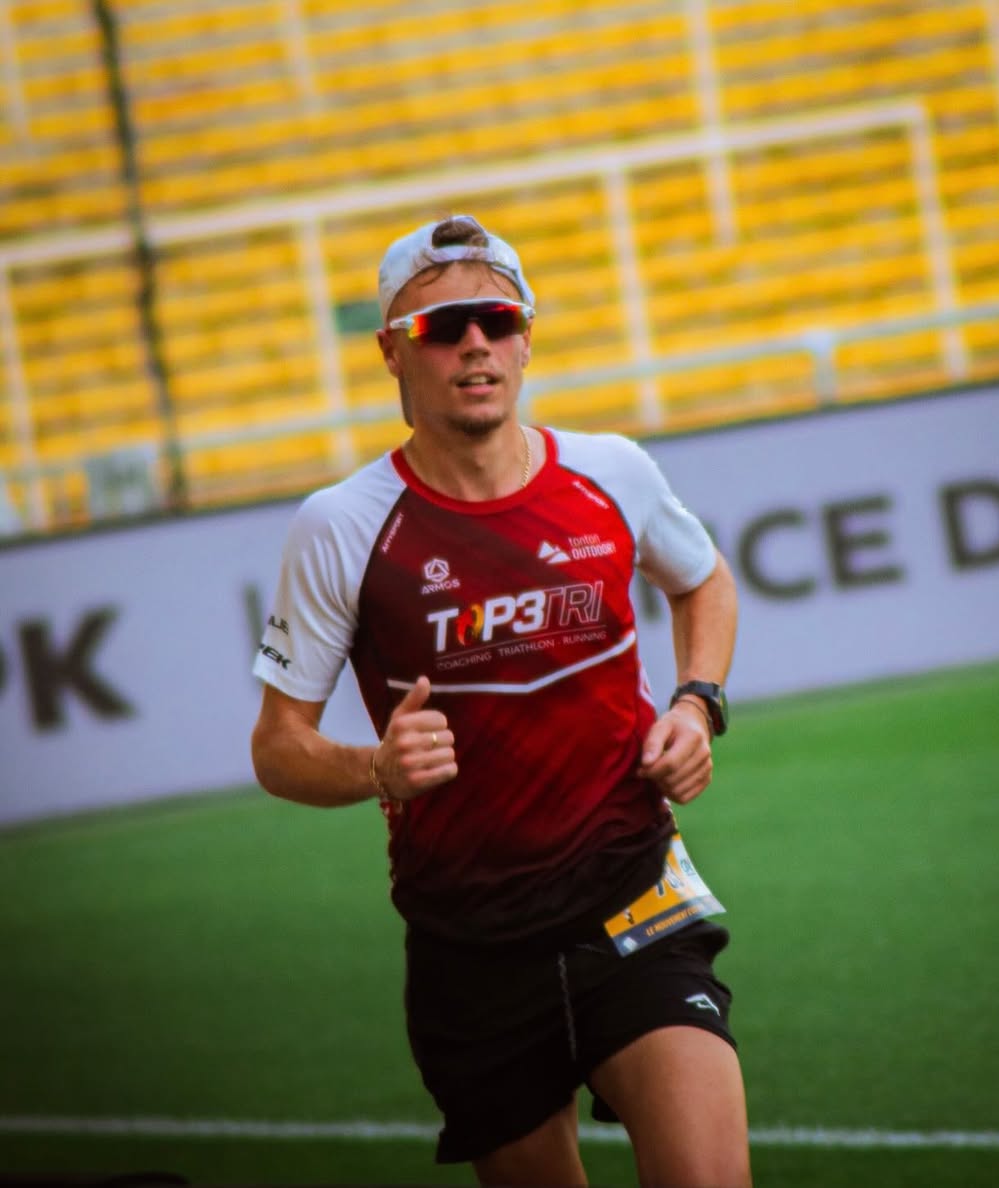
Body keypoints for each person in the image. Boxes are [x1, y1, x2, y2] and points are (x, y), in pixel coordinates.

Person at [250, 214, 751, 1187]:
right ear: (392, 352)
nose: (475, 343)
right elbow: (278, 747)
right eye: (443, 327)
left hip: (635, 897)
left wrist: (696, 704)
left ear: (526, 341)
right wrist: (375, 768)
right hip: (468, 947)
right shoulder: (341, 526)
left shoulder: (612, 471)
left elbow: (705, 581)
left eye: (498, 319)